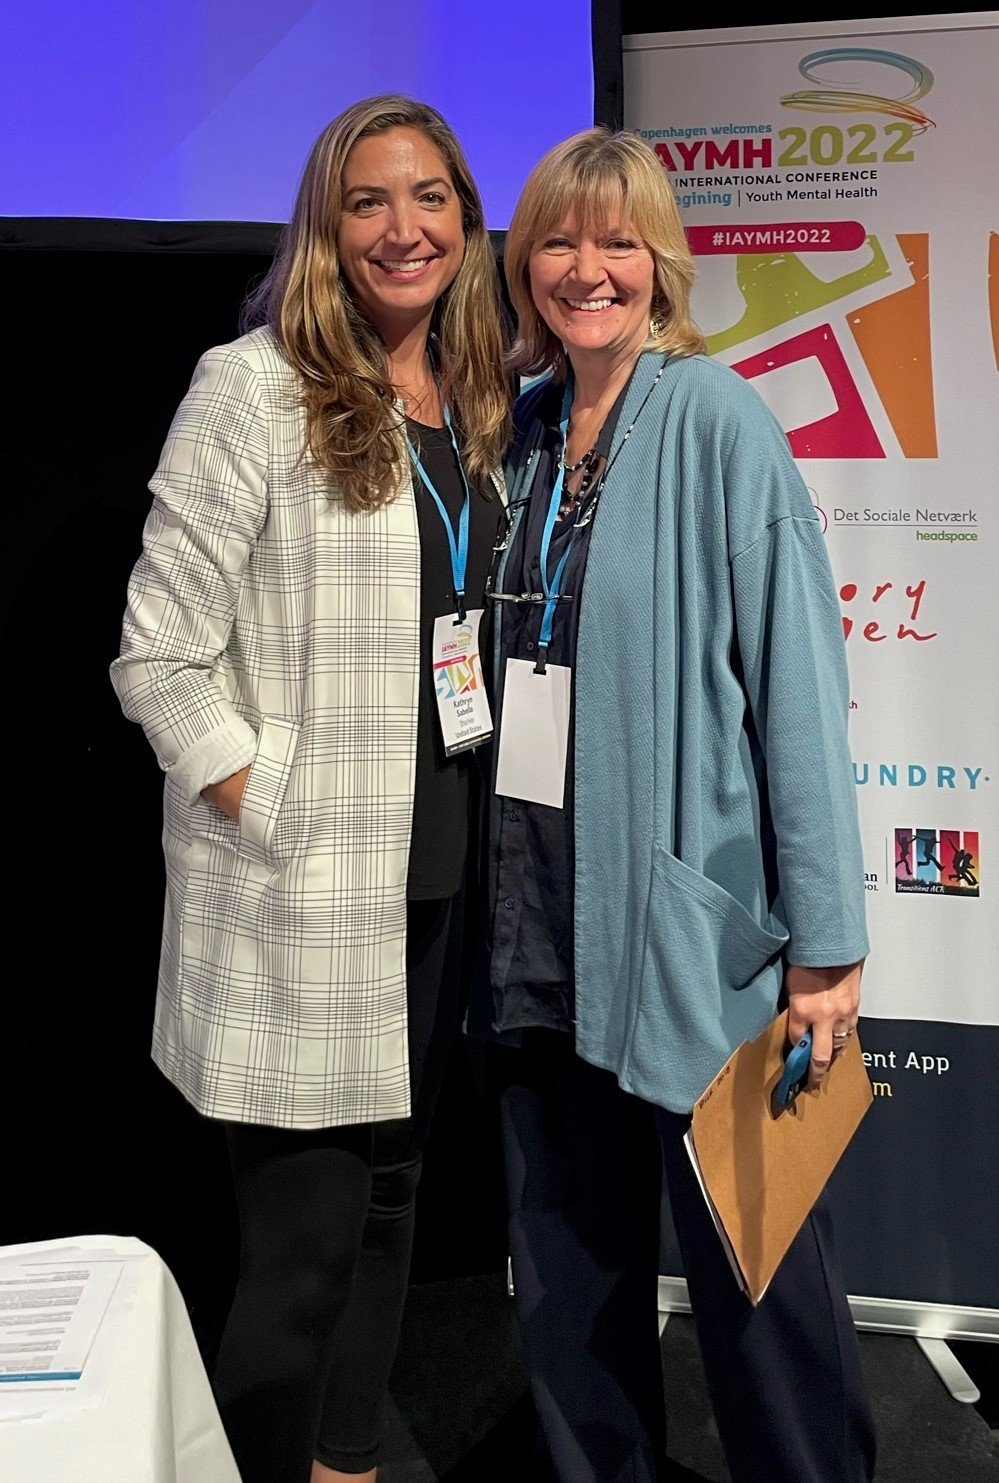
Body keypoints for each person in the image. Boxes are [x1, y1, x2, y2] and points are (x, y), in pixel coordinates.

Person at [110, 95, 510, 1483]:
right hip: (303, 889)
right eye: (369, 201)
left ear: (467, 216)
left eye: (431, 198)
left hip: (440, 880)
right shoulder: (252, 387)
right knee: (297, 1261)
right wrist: (269, 803)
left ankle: (345, 1466)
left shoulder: (474, 397)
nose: (405, 228)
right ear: (324, 230)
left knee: (396, 1210)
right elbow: (157, 659)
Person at [475, 127, 876, 1482]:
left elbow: (800, 691)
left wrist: (827, 949)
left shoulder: (717, 418)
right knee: (572, 1300)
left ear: (662, 263)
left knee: (765, 1307)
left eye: (618, 241)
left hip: (695, 951)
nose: (587, 269)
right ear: (524, 261)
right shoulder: (522, 436)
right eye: (560, 241)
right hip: (540, 939)